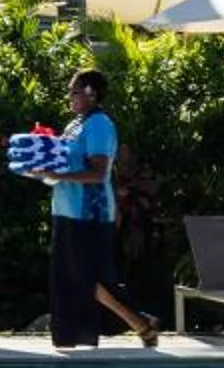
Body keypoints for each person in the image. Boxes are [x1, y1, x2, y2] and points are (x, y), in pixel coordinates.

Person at [34, 68, 159, 349]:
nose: (70, 97)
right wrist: (40, 169)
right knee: (68, 276)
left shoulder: (99, 125)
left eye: (75, 91)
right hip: (66, 211)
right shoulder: (75, 124)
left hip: (89, 213)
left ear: (91, 94)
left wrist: (59, 176)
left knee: (89, 276)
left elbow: (97, 173)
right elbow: (65, 164)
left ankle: (140, 322)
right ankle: (72, 337)